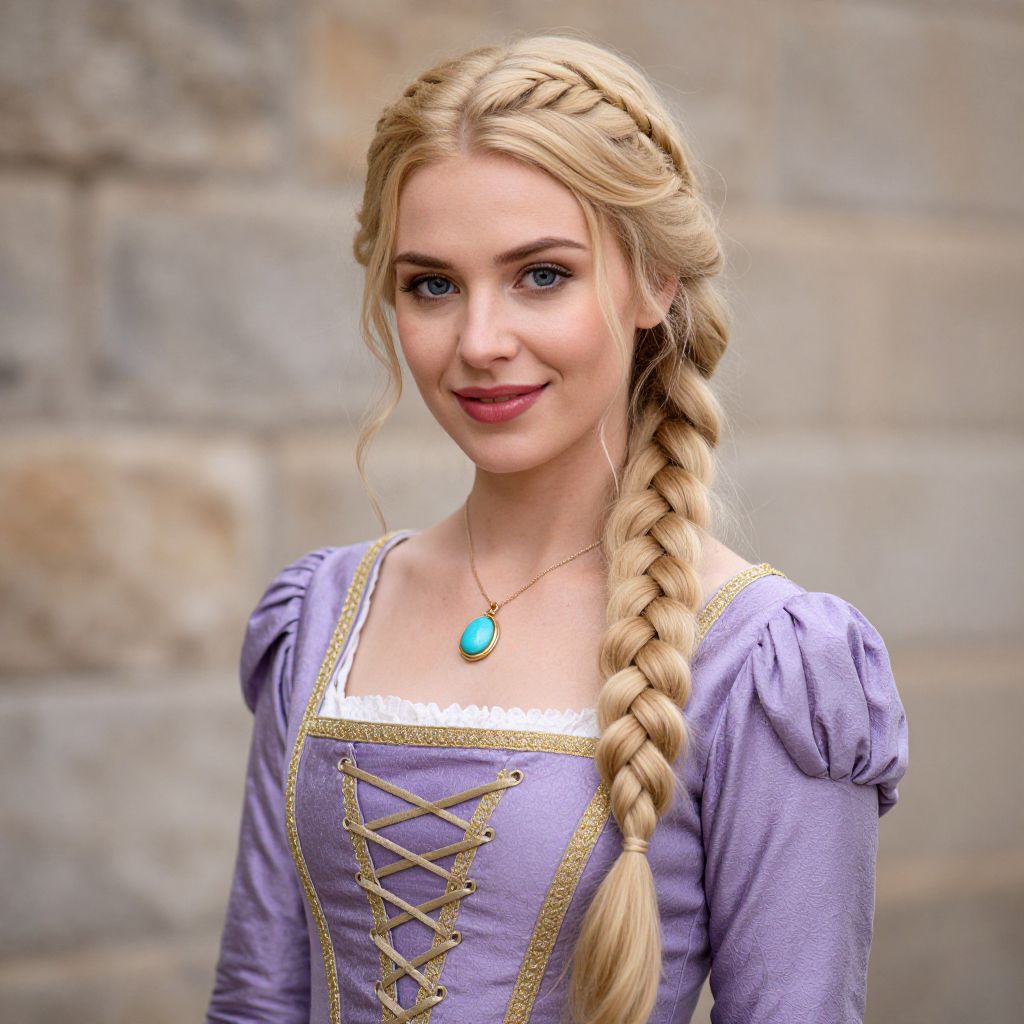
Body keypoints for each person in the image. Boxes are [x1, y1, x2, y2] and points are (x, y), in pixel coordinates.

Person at [206, 34, 909, 1024]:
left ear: (652, 280)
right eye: (432, 285)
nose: (480, 343)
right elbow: (251, 999)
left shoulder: (765, 665)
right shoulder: (321, 616)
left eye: (540, 275)